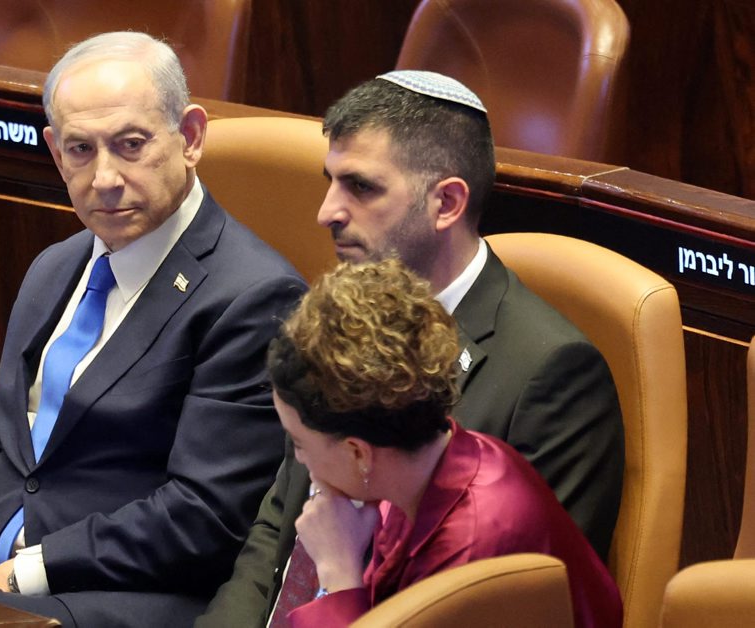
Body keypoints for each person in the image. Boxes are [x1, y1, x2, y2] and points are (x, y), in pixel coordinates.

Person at [0, 31, 305, 627]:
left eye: (131, 145)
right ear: (55, 153)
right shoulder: (53, 268)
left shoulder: (253, 296)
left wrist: (28, 572)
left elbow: (204, 515)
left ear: (190, 137)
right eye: (81, 150)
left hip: (119, 599)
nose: (105, 178)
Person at [197, 71, 624, 626]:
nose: (327, 212)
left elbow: (524, 606)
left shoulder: (550, 376)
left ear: (446, 202)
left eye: (361, 187)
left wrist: (341, 583)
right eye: (330, 182)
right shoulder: (340, 316)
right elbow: (280, 525)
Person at [265, 259, 621, 627]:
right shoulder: (421, 470)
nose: (300, 460)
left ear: (358, 452)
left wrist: (338, 574)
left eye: (300, 443)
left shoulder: (474, 550)